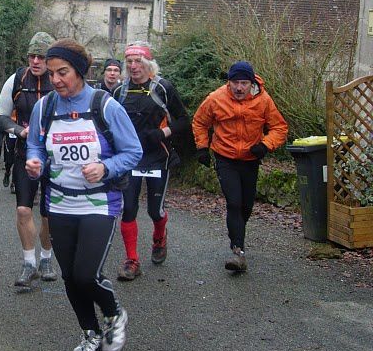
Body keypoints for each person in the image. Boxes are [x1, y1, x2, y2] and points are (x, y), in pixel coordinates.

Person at [26, 38, 142, 351]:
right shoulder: (44, 107)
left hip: (99, 202)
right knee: (68, 277)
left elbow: (133, 152)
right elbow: (35, 145)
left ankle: (115, 313)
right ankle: (90, 332)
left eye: (62, 72)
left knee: (85, 274)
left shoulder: (104, 105)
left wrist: (105, 167)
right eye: (51, 74)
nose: (56, 80)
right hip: (60, 201)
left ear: (79, 71)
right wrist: (34, 163)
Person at [192, 61, 288, 272]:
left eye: (243, 83)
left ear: (251, 83)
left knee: (246, 207)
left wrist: (265, 145)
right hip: (225, 157)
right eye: (235, 82)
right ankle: (238, 251)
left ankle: (237, 236)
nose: (239, 88)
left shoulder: (263, 100)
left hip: (250, 159)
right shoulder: (216, 98)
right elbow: (200, 122)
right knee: (234, 203)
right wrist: (202, 147)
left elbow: (279, 127)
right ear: (229, 82)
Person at [114, 41, 190, 281]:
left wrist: (164, 133)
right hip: (130, 159)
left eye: (139, 62)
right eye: (130, 62)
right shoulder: (119, 91)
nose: (134, 67)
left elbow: (183, 120)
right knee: (128, 209)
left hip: (158, 157)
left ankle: (159, 237)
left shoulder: (163, 88)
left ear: (148, 64)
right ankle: (132, 261)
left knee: (155, 211)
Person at [0, 31, 59, 287]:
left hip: (54, 157)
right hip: (25, 152)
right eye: (32, 55)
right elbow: (1, 116)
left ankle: (46, 258)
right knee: (23, 208)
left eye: (41, 57)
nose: (35, 61)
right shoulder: (16, 79)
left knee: (48, 213)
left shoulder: (59, 80)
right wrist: (20, 131)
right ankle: (28, 262)